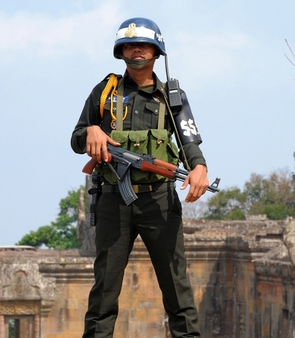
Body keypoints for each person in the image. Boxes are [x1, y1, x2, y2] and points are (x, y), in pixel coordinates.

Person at [70, 17, 210, 338]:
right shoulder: (105, 92)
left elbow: (189, 139)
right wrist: (91, 131)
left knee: (177, 288)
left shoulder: (171, 96)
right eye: (130, 45)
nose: (136, 50)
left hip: (159, 199)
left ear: (156, 51)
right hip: (112, 200)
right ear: (121, 52)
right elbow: (77, 139)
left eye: (143, 44)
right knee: (104, 290)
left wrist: (199, 167)